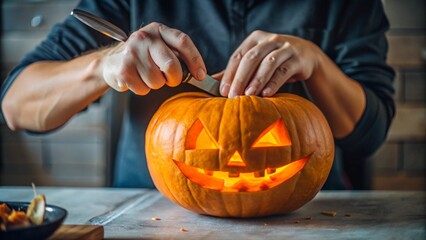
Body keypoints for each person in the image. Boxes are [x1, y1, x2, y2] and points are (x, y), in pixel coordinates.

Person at [0, 0, 395, 189]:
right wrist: (104, 64)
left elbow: (369, 135)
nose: (235, 159)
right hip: (152, 213)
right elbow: (17, 106)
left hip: (308, 215)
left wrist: (318, 64)